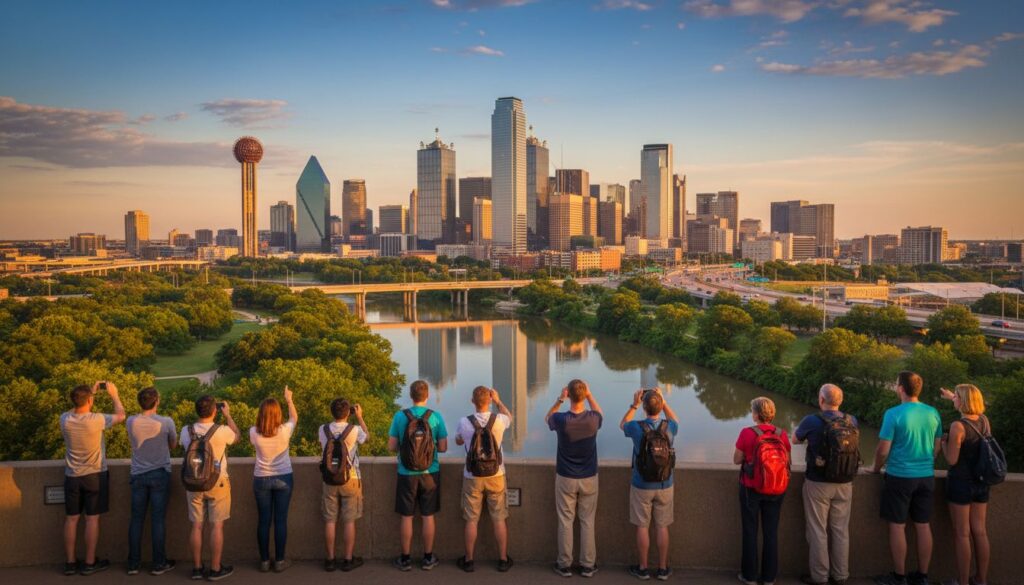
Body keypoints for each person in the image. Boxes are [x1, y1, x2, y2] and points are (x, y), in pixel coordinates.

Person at [871, 371, 942, 585]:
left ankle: (899, 577)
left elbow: (883, 450)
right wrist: (926, 462)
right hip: (926, 476)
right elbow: (937, 445)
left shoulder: (893, 414)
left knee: (897, 526)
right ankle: (922, 576)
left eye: (896, 384)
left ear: (901, 388)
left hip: (900, 476)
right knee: (923, 525)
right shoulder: (933, 412)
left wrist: (875, 468)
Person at [793, 384, 859, 585]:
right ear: (841, 401)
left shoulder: (812, 420)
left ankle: (820, 577)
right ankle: (841, 575)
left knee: (817, 530)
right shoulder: (852, 420)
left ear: (821, 400)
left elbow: (795, 440)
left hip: (818, 482)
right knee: (841, 531)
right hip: (845, 482)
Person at [61, 381, 126, 576]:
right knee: (92, 519)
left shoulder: (65, 419)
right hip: (95, 475)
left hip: (72, 476)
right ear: (89, 400)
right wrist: (114, 395)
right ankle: (90, 562)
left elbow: (77, 408)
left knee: (71, 519)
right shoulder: (97, 419)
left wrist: (90, 395)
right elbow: (121, 415)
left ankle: (70, 563)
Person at [388, 380, 448, 571]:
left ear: (411, 396)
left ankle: (405, 559)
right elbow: (443, 447)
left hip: (406, 473)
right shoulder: (435, 417)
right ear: (427, 396)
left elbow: (391, 446)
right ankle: (428, 558)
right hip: (430, 473)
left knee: (406, 516)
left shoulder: (400, 416)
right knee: (428, 516)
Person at [546, 378, 604, 578]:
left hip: (566, 476)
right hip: (589, 476)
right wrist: (590, 395)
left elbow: (548, 418)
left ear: (568, 394)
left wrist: (559, 400)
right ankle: (588, 565)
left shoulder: (561, 419)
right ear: (584, 395)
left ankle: (564, 564)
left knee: (565, 520)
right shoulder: (593, 419)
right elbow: (600, 414)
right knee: (587, 521)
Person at [620, 387, 679, 581]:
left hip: (641, 484)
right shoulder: (669, 427)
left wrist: (634, 404)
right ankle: (662, 569)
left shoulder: (636, 427)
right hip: (665, 483)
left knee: (642, 526)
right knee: (662, 526)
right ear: (660, 407)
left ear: (644, 408)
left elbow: (622, 424)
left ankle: (643, 568)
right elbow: (676, 420)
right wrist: (663, 401)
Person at [454, 386, 514, 573]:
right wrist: (498, 401)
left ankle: (469, 560)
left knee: (471, 520)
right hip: (496, 475)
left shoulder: (464, 422)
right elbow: (510, 417)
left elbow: (458, 440)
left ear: (472, 401)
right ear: (489, 400)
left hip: (472, 476)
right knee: (499, 518)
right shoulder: (499, 420)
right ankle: (503, 559)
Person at [181, 395, 239, 581]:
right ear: (215, 411)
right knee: (217, 526)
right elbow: (237, 437)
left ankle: (197, 568)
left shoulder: (186, 431)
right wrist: (228, 416)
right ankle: (215, 568)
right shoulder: (222, 431)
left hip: (193, 482)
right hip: (217, 481)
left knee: (196, 526)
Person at [734, 396, 791, 585]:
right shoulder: (782, 434)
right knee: (771, 532)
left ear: (756, 414)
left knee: (750, 531)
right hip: (777, 488)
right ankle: (769, 577)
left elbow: (736, 459)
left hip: (751, 488)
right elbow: (788, 461)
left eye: (752, 410)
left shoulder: (747, 433)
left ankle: (749, 576)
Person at [939, 384, 992, 585]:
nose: (954, 399)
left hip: (961, 484)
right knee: (980, 531)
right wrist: (951, 396)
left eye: (956, 397)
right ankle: (980, 579)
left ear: (962, 401)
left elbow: (952, 459)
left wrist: (944, 443)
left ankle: (962, 582)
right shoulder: (984, 421)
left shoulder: (957, 426)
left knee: (962, 533)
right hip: (981, 483)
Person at [126, 386, 177, 576]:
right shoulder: (166, 422)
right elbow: (173, 445)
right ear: (157, 402)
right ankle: (158, 563)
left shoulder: (131, 421)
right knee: (158, 520)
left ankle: (133, 564)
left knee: (136, 520)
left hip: (138, 474)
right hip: (159, 474)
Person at [249, 387, 297, 573]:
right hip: (284, 477)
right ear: (278, 414)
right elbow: (294, 418)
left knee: (263, 521)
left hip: (261, 479)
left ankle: (264, 561)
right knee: (280, 520)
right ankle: (279, 561)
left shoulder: (254, 432)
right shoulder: (284, 431)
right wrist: (289, 400)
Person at [320, 398, 369, 573]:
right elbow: (367, 438)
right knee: (349, 521)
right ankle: (348, 559)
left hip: (329, 479)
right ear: (348, 412)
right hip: (351, 478)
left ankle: (330, 560)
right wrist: (360, 417)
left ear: (331, 412)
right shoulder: (354, 430)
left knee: (330, 520)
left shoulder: (323, 429)